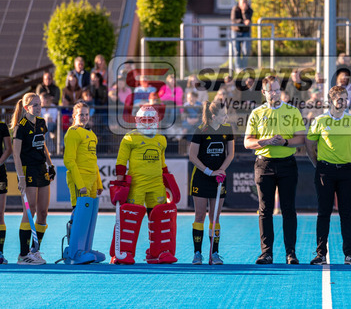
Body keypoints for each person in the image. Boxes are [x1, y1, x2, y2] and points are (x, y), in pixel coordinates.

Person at [244, 76, 306, 265]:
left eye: (277, 90)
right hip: (264, 165)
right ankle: (266, 253)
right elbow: (247, 142)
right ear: (264, 92)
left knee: (289, 209)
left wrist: (284, 142)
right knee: (265, 210)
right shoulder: (256, 113)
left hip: (287, 164)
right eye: (271, 90)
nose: (275, 93)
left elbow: (301, 139)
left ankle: (291, 254)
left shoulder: (292, 111)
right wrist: (265, 142)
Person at [108, 105, 181, 264]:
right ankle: (122, 252)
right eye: (144, 120)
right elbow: (121, 162)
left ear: (157, 120)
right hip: (137, 185)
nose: (147, 123)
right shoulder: (130, 138)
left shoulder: (161, 139)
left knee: (161, 217)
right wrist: (120, 183)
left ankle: (160, 252)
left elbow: (162, 165)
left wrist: (169, 183)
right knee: (129, 217)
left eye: (150, 119)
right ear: (137, 120)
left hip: (156, 185)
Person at [306, 86, 351, 265]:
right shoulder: (320, 120)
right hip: (325, 171)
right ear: (331, 100)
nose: (343, 102)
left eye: (345, 98)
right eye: (339, 99)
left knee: (346, 214)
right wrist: (318, 164)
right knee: (323, 213)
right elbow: (309, 145)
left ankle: (349, 254)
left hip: (346, 172)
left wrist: (347, 158)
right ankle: (320, 254)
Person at [189, 101, 234, 265]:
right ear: (214, 116)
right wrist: (209, 171)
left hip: (219, 179)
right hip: (201, 178)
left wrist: (221, 170)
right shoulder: (201, 130)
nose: (226, 117)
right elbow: (192, 156)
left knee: (215, 217)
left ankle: (214, 253)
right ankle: (197, 253)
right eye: (223, 115)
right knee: (200, 215)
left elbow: (230, 154)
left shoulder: (227, 129)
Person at [12, 92, 55, 265]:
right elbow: (16, 154)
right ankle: (23, 255)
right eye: (35, 105)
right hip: (27, 169)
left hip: (41, 168)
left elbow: (42, 145)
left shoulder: (42, 123)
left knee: (43, 213)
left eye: (40, 104)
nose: (39, 108)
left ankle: (34, 251)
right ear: (26, 107)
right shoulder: (20, 127)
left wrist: (50, 164)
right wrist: (21, 177)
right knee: (30, 212)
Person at [61, 101, 105, 264]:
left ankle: (85, 249)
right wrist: (80, 184)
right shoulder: (73, 133)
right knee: (79, 214)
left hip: (91, 180)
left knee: (89, 216)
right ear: (74, 116)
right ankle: (74, 252)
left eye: (86, 114)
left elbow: (93, 161)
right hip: (80, 180)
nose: (84, 117)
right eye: (81, 114)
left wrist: (98, 183)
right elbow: (69, 161)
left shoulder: (91, 134)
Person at [0, 119, 12, 264]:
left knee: (0, 214)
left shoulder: (2, 126)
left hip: (0, 174)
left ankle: (0, 252)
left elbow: (9, 149)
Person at [230, 0, 253, 71]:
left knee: (246, 50)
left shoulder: (249, 10)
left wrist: (244, 12)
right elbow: (234, 20)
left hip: (246, 32)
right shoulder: (235, 9)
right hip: (236, 32)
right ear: (239, 3)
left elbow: (248, 20)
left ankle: (244, 67)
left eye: (245, 2)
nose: (244, 4)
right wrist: (242, 22)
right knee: (236, 50)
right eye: (242, 2)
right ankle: (238, 68)